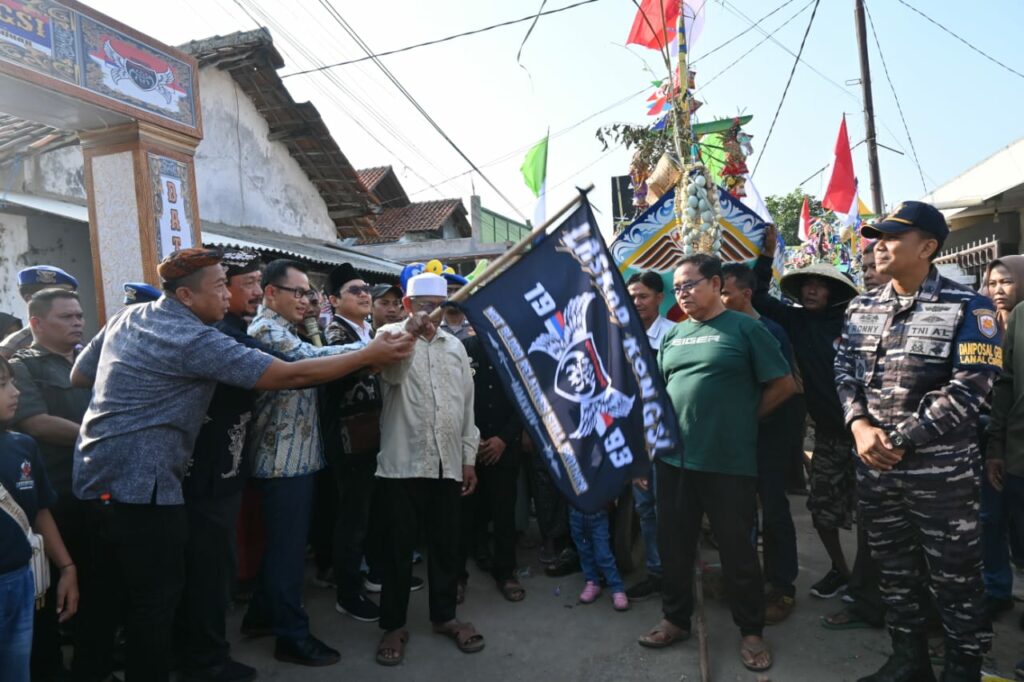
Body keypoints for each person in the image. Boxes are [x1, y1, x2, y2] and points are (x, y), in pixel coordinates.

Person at [69, 247, 417, 681]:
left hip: (92, 474)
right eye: (221, 285)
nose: (230, 293)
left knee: (104, 599)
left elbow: (80, 375)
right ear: (185, 296)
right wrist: (367, 356)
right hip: (147, 485)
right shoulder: (195, 338)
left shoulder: (127, 318)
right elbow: (288, 375)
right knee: (153, 605)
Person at [835, 201, 1001, 681]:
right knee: (895, 571)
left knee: (956, 578)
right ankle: (909, 661)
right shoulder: (861, 306)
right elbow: (844, 372)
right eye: (877, 236)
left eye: (892, 237)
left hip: (941, 476)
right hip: (876, 468)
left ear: (927, 247)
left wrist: (899, 439)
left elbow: (971, 388)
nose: (878, 245)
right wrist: (860, 426)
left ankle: (963, 668)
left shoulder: (970, 306)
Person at [638, 254, 795, 674]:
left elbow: (784, 384)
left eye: (689, 284)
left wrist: (743, 417)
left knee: (738, 551)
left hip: (728, 462)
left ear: (715, 283)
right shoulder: (673, 336)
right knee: (674, 546)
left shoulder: (747, 329)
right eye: (678, 287)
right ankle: (675, 619)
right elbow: (658, 394)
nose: (683, 294)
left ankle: (750, 630)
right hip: (674, 460)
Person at [243, 259, 370, 667]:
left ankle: (260, 616)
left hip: (299, 458)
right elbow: (310, 363)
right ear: (270, 293)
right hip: (282, 462)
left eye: (308, 293)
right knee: (287, 554)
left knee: (283, 548)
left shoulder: (283, 326)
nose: (306, 300)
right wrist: (375, 345)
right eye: (297, 292)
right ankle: (291, 637)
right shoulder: (265, 331)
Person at [176, 249, 278, 682]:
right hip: (204, 474)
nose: (256, 292)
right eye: (245, 283)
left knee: (217, 568)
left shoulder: (234, 330)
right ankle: (205, 661)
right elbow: (289, 369)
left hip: (226, 471)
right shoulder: (217, 338)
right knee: (207, 572)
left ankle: (205, 652)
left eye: (259, 282)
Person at [374, 272, 482, 667]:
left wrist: (468, 458)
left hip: (447, 463)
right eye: (424, 304)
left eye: (440, 303)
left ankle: (444, 617)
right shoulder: (389, 336)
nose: (432, 312)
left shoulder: (455, 346)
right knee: (397, 550)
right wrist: (411, 333)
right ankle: (393, 625)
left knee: (447, 546)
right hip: (402, 465)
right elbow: (391, 376)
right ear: (407, 304)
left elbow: (466, 405)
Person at [756, 227, 860, 600]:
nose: (812, 291)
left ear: (834, 291)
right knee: (822, 510)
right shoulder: (796, 322)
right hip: (831, 435)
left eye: (820, 285)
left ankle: (867, 579)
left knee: (875, 516)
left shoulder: (856, 320)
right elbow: (756, 297)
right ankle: (842, 570)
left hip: (870, 433)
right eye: (807, 285)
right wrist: (766, 258)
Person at [7, 288, 90, 679]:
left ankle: (94, 660)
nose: (78, 322)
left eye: (79, 315)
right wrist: (99, 437)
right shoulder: (23, 367)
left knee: (94, 584)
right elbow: (35, 421)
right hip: (53, 494)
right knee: (49, 597)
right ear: (37, 324)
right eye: (67, 317)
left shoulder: (93, 358)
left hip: (95, 488)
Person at [721, 263, 802, 625]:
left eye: (724, 291)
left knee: (772, 508)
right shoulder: (720, 330)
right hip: (734, 440)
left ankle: (781, 585)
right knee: (737, 511)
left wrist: (746, 420)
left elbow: (786, 386)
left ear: (746, 294)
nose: (720, 298)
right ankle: (745, 580)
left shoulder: (769, 330)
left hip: (768, 436)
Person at [0, 354, 79, 682]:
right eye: (3, 385)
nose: (15, 392)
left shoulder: (22, 446)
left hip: (20, 581)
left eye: (11, 382)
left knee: (18, 670)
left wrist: (67, 567)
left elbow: (39, 511)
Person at [320, 263, 384, 622]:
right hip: (349, 439)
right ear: (333, 300)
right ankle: (348, 591)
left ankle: (374, 575)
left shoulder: (367, 329)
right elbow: (347, 376)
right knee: (352, 519)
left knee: (372, 512)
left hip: (373, 436)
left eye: (366, 288)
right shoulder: (335, 336)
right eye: (354, 290)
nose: (364, 294)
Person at [461, 331, 525, 603]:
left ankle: (506, 572)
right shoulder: (462, 348)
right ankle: (457, 576)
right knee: (464, 513)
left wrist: (503, 439)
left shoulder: (514, 350)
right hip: (467, 446)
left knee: (503, 512)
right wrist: (471, 439)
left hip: (503, 447)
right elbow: (455, 398)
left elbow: (524, 399)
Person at [624, 271, 675, 601]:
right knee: (646, 509)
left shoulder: (674, 336)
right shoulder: (621, 338)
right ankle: (656, 572)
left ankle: (676, 574)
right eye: (631, 297)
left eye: (643, 296)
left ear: (659, 298)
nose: (636, 303)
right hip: (635, 442)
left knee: (672, 510)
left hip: (669, 441)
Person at [979, 255, 1024, 619]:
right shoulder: (983, 325)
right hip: (994, 439)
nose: (998, 290)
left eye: (1006, 282)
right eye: (992, 283)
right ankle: (996, 589)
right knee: (990, 520)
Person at [1, 266, 79, 360]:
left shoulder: (73, 334)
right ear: (30, 299)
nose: (68, 301)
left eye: (69, 295)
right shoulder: (11, 349)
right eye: (56, 296)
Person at [439, 273, 473, 340]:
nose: (453, 295)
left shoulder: (475, 325)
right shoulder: (433, 325)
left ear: (467, 296)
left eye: (458, 291)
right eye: (448, 291)